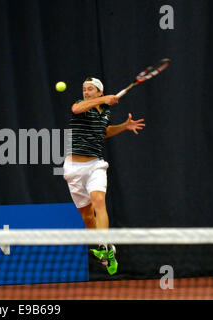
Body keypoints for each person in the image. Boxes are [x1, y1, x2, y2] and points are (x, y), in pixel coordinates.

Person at [63, 77, 145, 275]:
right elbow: (76, 109)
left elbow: (104, 132)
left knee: (99, 201)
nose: (86, 92)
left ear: (99, 91)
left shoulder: (105, 112)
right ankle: (99, 247)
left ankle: (105, 246)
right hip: (73, 168)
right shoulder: (81, 106)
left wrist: (123, 127)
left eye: (90, 89)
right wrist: (103, 100)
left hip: (95, 165)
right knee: (87, 216)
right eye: (84, 89)